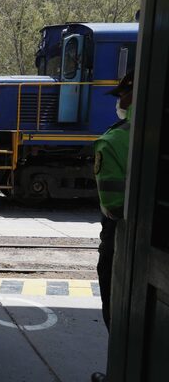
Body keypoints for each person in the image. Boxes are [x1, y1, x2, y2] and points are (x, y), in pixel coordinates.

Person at [91, 71, 134, 382]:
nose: (119, 101)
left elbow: (113, 207)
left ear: (132, 96)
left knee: (116, 305)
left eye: (121, 95)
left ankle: (118, 371)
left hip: (121, 242)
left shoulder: (113, 140)